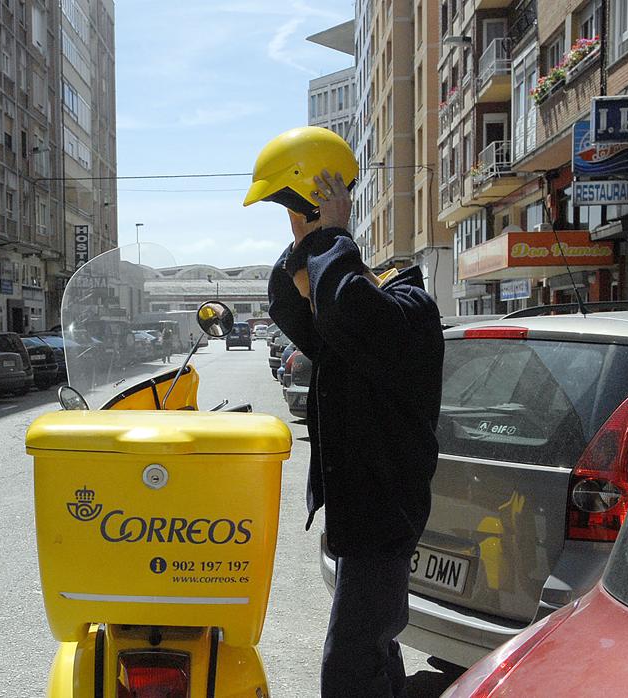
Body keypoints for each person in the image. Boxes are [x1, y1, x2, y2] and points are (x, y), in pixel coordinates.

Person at [243, 126, 444, 697]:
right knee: (374, 645)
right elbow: (296, 308)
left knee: (349, 666)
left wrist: (332, 235)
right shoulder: (355, 325)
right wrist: (308, 240)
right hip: (362, 509)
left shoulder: (405, 314)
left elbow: (347, 307)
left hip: (384, 513)